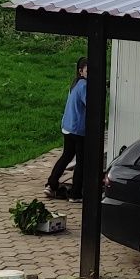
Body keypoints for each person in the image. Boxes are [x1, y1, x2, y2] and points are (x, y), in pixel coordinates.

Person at [46, 57, 89, 197]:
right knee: (81, 162)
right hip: (78, 130)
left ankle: (51, 184)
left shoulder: (75, 84)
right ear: (80, 71)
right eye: (88, 71)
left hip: (67, 127)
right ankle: (75, 193)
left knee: (66, 156)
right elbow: (91, 103)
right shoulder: (84, 85)